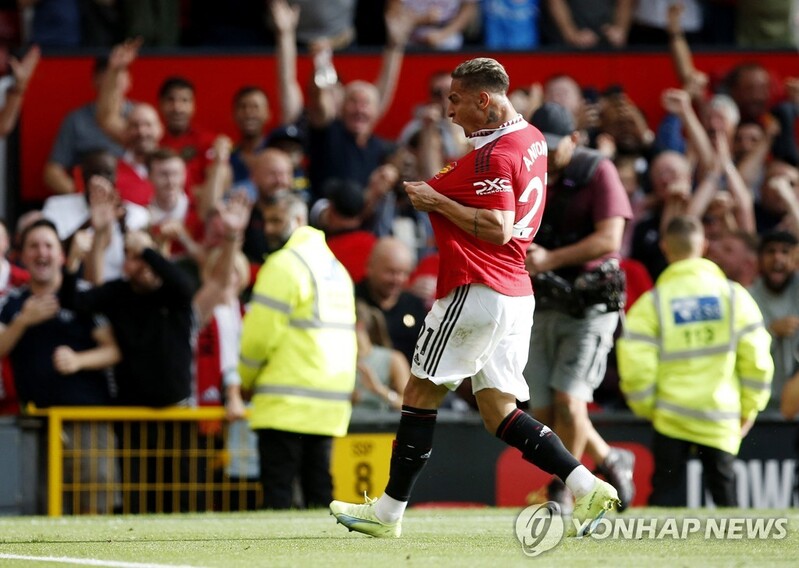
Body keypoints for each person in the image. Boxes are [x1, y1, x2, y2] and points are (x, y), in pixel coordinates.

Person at [330, 57, 620, 539]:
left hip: (478, 286)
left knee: (420, 393)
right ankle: (586, 484)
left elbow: (499, 226)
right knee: (499, 411)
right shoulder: (529, 139)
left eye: (456, 99)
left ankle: (386, 514)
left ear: (484, 100)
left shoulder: (493, 157)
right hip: (516, 295)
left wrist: (435, 200)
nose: (449, 111)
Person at [523, 102, 635, 512]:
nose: (548, 154)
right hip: (542, 302)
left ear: (575, 139)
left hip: (589, 304)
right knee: (545, 410)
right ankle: (608, 458)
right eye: (541, 146)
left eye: (555, 146)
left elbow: (611, 239)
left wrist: (549, 259)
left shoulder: (597, 171)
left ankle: (562, 492)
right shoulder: (527, 171)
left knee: (570, 402)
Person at [617, 215, 773, 507]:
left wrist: (648, 407)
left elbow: (635, 363)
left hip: (670, 416)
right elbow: (757, 358)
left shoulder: (653, 303)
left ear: (665, 248)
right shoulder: (734, 296)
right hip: (721, 416)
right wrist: (750, 407)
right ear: (703, 245)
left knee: (663, 501)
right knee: (728, 506)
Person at [238, 191, 356, 510]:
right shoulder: (334, 267)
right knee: (319, 492)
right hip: (327, 404)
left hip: (285, 402)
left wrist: (245, 377)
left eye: (277, 220)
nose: (269, 228)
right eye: (267, 221)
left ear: (299, 220)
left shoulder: (283, 264)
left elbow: (258, 339)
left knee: (278, 494)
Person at [0, 219, 121, 513]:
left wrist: (78, 360)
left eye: (48, 246)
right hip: (35, 424)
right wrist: (23, 321)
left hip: (86, 420)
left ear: (61, 255)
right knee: (40, 511)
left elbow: (113, 351)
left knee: (94, 508)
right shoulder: (13, 302)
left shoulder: (81, 294)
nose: (41, 253)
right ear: (22, 256)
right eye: (33, 246)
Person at [748, 230, 799, 412]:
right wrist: (770, 332)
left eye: (785, 252)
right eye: (770, 251)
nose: (777, 258)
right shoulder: (747, 297)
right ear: (760, 259)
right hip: (761, 407)